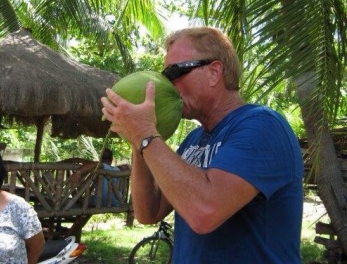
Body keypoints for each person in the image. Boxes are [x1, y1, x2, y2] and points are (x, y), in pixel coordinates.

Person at [101, 26, 304, 263]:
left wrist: (145, 134)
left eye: (174, 73)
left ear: (214, 72)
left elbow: (205, 212)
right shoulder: (193, 141)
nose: (166, 84)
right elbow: (148, 212)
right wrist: (138, 140)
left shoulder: (263, 126)